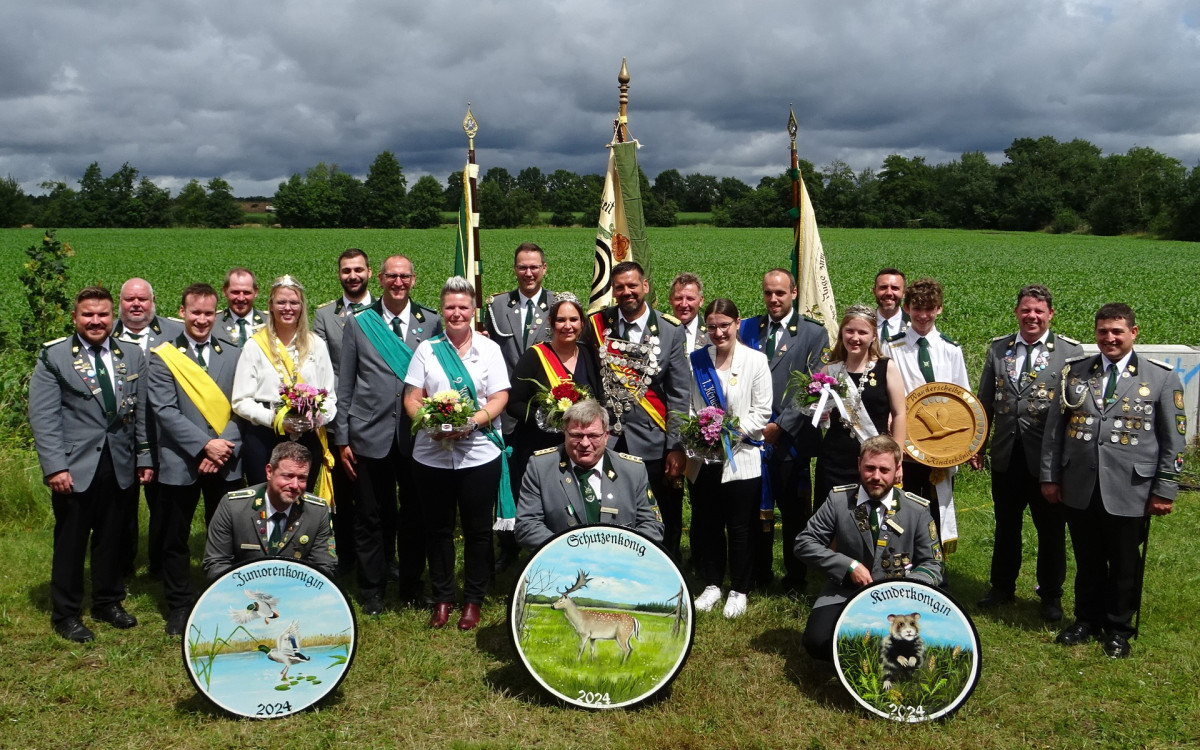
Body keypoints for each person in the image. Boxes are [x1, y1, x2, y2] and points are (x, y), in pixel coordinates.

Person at [1041, 303, 1186, 658]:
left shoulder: (1160, 377)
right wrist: (1050, 476)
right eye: (1103, 331)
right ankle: (1086, 619)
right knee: (1087, 557)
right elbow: (1054, 432)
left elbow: (1174, 440)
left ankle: (1119, 627)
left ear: (1133, 333)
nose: (1110, 338)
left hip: (1130, 487)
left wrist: (1165, 488)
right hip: (1080, 483)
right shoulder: (1074, 373)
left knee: (1124, 561)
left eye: (1117, 331)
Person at [29, 286, 153, 642]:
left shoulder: (130, 354)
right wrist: (55, 467)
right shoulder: (54, 357)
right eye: (88, 315)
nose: (96, 321)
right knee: (71, 541)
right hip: (74, 466)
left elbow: (140, 412)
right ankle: (66, 612)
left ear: (112, 316)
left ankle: (107, 601)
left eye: (102, 314)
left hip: (121, 462)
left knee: (113, 537)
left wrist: (144, 457)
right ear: (75, 317)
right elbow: (44, 417)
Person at [403, 276, 511, 631]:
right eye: (450, 307)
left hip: (478, 453)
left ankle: (474, 600)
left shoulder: (489, 349)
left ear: (473, 310)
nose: (456, 313)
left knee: (479, 530)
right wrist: (428, 422)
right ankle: (443, 598)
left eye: (463, 307)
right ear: (442, 310)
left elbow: (498, 398)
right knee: (438, 530)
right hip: (431, 456)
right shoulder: (427, 349)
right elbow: (412, 397)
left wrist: (473, 424)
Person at [335, 255, 440, 615]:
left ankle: (411, 586)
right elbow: (345, 383)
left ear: (413, 280)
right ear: (379, 279)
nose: (398, 282)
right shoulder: (360, 323)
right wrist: (342, 438)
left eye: (404, 276)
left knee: (415, 514)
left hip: (416, 437)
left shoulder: (432, 322)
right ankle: (372, 589)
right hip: (368, 433)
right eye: (391, 276)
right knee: (369, 515)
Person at [971, 285, 1082, 622]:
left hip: (1047, 460)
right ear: (1017, 312)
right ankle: (1001, 587)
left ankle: (1050, 595)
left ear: (1050, 314)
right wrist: (978, 445)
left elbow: (1076, 411)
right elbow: (984, 402)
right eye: (1026, 310)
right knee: (1006, 525)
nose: (1031, 316)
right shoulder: (998, 348)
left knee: (1050, 529)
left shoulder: (1070, 353)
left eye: (1038, 311)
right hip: (1006, 455)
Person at [148, 283, 246, 635]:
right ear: (182, 312)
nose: (202, 319)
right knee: (175, 537)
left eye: (208, 313)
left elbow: (242, 406)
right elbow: (165, 410)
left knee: (226, 534)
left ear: (216, 314)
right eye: (195, 312)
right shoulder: (163, 356)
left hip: (226, 459)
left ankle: (224, 597)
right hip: (182, 461)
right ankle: (179, 604)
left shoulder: (234, 354)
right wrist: (206, 446)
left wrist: (222, 446)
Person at [794, 435, 943, 662]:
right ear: (858, 465)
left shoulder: (917, 509)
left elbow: (933, 563)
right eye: (869, 468)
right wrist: (848, 565)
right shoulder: (838, 501)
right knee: (817, 642)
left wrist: (906, 590)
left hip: (900, 601)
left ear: (897, 468)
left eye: (884, 470)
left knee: (935, 646)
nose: (876, 477)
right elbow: (804, 543)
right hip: (845, 590)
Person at [581, 261, 690, 563]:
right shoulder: (597, 325)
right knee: (609, 508)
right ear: (613, 291)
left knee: (661, 511)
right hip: (608, 440)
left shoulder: (669, 331)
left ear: (645, 287)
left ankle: (665, 566)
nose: (626, 292)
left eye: (632, 286)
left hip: (653, 440)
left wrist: (676, 446)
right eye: (619, 287)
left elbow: (679, 395)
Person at [738, 268, 828, 596]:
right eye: (767, 293)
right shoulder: (747, 328)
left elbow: (815, 386)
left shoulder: (813, 334)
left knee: (794, 513)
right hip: (751, 436)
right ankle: (760, 573)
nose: (773, 299)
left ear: (793, 293)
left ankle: (795, 578)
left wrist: (782, 425)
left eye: (780, 293)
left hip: (791, 439)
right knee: (755, 509)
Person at [687, 299, 772, 618]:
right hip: (706, 458)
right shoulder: (696, 361)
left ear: (737, 323)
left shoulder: (755, 360)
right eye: (711, 327)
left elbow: (762, 411)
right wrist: (702, 435)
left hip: (743, 455)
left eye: (725, 325)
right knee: (708, 523)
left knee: (740, 527)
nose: (718, 332)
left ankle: (739, 588)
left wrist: (729, 433)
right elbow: (692, 407)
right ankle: (712, 583)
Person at [483, 242, 554, 571]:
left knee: (548, 482)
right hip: (507, 412)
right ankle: (508, 548)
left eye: (534, 267)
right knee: (509, 482)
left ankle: (547, 546)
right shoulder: (497, 306)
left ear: (544, 269)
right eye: (522, 267)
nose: (528, 273)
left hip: (549, 414)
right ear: (515, 269)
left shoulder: (558, 305)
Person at [231, 275, 337, 491]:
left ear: (302, 306)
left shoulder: (316, 344)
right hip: (264, 436)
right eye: (281, 302)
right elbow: (241, 400)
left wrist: (315, 420)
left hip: (307, 435)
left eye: (294, 302)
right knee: (262, 500)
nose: (287, 308)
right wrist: (275, 420)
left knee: (299, 500)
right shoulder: (255, 346)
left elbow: (330, 397)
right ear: (270, 305)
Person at [887, 277, 970, 550]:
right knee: (904, 504)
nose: (923, 315)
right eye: (917, 308)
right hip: (907, 443)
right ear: (907, 308)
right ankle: (901, 561)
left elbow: (963, 400)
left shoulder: (951, 349)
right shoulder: (891, 347)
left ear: (940, 309)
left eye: (930, 308)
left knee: (936, 506)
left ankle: (934, 565)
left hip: (941, 447)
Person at [515, 399, 663, 549]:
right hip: (563, 562)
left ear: (606, 436)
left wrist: (622, 552)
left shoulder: (633, 470)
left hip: (620, 563)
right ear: (564, 433)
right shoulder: (541, 467)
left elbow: (652, 525)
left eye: (593, 436)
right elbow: (527, 526)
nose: (585, 443)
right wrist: (570, 551)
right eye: (577, 436)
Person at [113, 277, 184, 578]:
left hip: (162, 433)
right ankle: (121, 564)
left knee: (163, 505)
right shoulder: (105, 333)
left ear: (153, 301)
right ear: (120, 304)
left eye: (142, 299)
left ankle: (159, 565)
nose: (136, 305)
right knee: (120, 506)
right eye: (130, 299)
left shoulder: (175, 331)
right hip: (119, 436)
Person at [313, 248, 374, 578]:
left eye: (358, 270)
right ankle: (346, 556)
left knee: (376, 496)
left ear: (368, 272)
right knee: (345, 494)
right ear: (339, 274)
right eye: (346, 270)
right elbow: (325, 369)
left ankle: (382, 557)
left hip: (378, 420)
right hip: (340, 417)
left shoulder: (383, 313)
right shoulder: (325, 316)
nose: (352, 275)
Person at [506, 291, 601, 493]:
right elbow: (513, 403)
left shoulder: (589, 354)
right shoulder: (535, 356)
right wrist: (544, 418)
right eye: (561, 320)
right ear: (551, 322)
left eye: (574, 319)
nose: (568, 326)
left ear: (582, 322)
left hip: (582, 451)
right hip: (541, 449)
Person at [814, 304, 907, 506]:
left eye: (862, 332)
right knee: (833, 520)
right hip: (834, 460)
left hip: (875, 461)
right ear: (841, 333)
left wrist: (896, 459)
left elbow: (899, 414)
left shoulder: (886, 367)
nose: (855, 337)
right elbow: (817, 409)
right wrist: (820, 414)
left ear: (873, 336)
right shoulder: (830, 370)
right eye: (849, 331)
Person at [202, 442, 337, 580]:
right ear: (269, 472)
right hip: (242, 592)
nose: (295, 485)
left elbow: (325, 567)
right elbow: (215, 563)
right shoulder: (233, 506)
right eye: (288, 476)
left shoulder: (317, 511)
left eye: (302, 478)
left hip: (295, 592)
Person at [216, 267, 266, 347]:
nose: (241, 298)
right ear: (225, 291)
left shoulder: (270, 322)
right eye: (235, 292)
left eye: (246, 292)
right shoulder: (213, 323)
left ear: (256, 292)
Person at [668, 272, 708, 356]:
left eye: (690, 299)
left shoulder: (711, 331)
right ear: (670, 299)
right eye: (678, 298)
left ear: (700, 301)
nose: (684, 304)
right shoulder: (661, 329)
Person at [873, 268, 908, 357]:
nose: (889, 293)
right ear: (874, 291)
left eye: (895, 288)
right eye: (883, 287)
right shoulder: (863, 323)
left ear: (904, 293)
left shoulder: (915, 326)